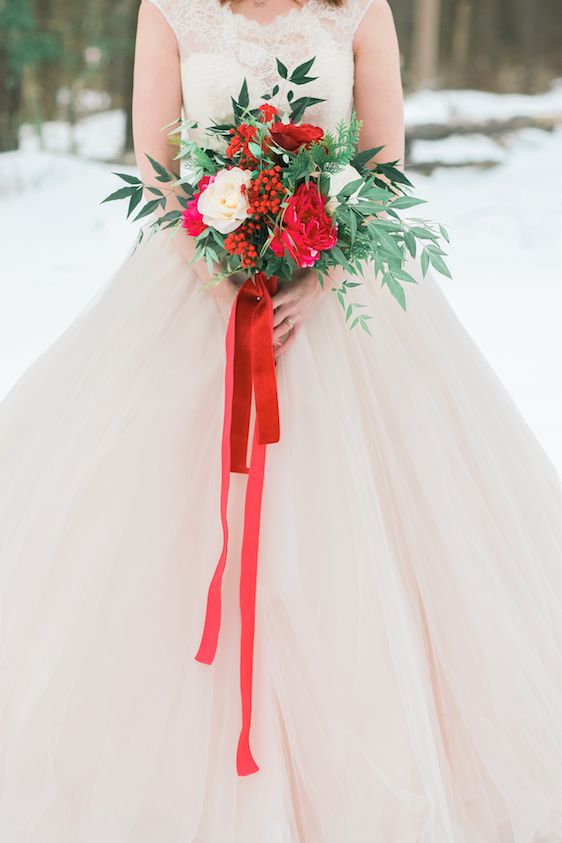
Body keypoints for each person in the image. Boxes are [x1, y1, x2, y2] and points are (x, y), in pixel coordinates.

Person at [1, 0, 561, 839]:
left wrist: (323, 273)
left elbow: (381, 164)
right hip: (196, 293)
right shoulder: (170, 11)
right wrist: (216, 266)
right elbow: (157, 170)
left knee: (357, 541)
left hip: (339, 304)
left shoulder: (361, 12)